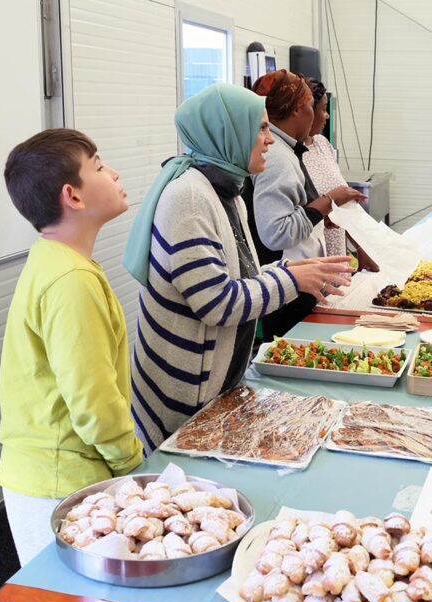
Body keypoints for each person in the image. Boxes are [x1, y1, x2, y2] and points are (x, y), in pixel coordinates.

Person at [123, 83, 353, 453]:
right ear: (229, 132)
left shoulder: (224, 189)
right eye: (260, 129)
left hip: (213, 385)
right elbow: (217, 302)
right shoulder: (189, 199)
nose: (270, 140)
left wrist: (293, 269)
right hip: (182, 395)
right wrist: (291, 277)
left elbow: (238, 277)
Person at [0, 128, 142, 567]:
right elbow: (93, 403)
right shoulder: (71, 280)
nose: (113, 173)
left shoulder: (56, 259)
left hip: (54, 473)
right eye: (98, 166)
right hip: (59, 479)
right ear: (72, 197)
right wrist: (134, 467)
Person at [244, 69, 365, 340]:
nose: (317, 115)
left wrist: (320, 218)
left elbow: (291, 210)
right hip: (289, 285)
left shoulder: (288, 150)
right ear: (298, 110)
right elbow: (276, 233)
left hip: (296, 279)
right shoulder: (278, 157)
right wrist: (328, 202)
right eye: (312, 106)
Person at [301, 76, 348, 257]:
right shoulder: (290, 154)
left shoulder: (322, 143)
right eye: (323, 109)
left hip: (336, 247)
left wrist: (361, 249)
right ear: (307, 112)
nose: (326, 115)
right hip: (310, 254)